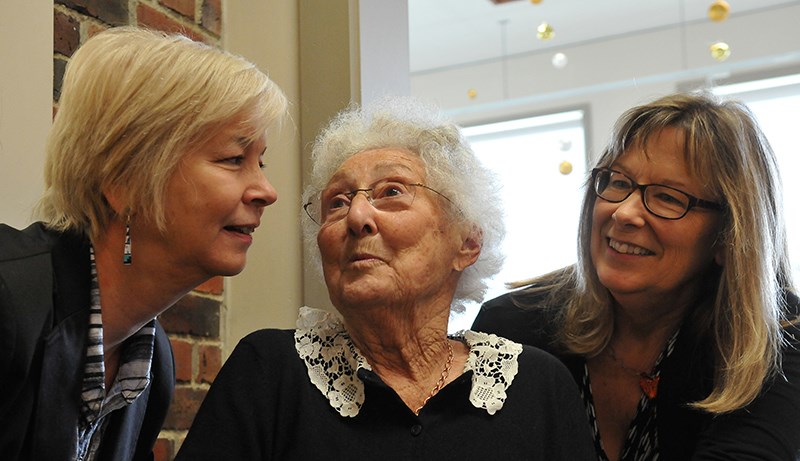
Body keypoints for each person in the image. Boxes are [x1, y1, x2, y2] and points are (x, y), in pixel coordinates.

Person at [175, 98, 596, 460]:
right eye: (337, 202)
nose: (356, 216)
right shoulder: (269, 371)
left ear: (466, 242)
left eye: (391, 192)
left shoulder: (538, 386)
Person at [0, 26, 287, 461]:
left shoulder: (151, 365)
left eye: (260, 162)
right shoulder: (6, 298)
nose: (267, 190)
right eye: (234, 159)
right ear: (126, 180)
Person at [473, 92, 800, 460]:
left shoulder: (776, 335)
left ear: (728, 236)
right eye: (618, 183)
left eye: (668, 198)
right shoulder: (512, 328)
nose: (625, 213)